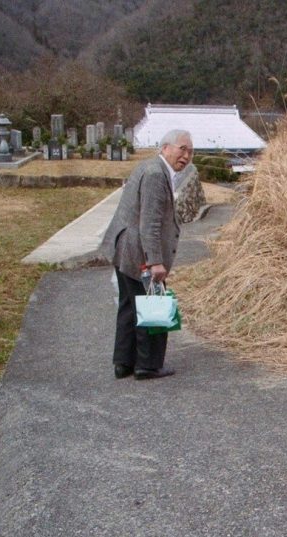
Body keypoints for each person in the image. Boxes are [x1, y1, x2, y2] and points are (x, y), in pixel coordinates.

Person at [100, 129, 193, 380]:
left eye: (190, 151)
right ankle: (147, 365)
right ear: (165, 148)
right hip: (138, 251)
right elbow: (149, 223)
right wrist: (155, 262)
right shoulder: (155, 174)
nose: (186, 155)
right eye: (181, 148)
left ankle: (124, 363)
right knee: (152, 306)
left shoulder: (150, 167)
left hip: (125, 248)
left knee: (130, 307)